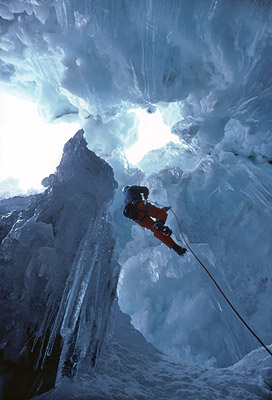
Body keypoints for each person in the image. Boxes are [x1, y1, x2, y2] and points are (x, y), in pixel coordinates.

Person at [122, 185, 187, 256]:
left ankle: (176, 248)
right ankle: (159, 223)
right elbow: (145, 189)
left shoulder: (125, 202)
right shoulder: (131, 189)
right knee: (160, 214)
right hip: (140, 207)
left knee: (155, 230)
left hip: (137, 219)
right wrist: (145, 197)